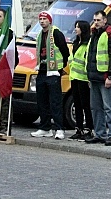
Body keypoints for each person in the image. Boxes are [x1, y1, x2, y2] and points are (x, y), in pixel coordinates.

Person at [30, 11, 70, 140]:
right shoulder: (40, 35)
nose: (42, 21)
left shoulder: (56, 33)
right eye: (40, 19)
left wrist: (61, 66)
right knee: (42, 101)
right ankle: (45, 127)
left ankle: (59, 128)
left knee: (55, 101)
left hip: (53, 71)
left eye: (44, 19)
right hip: (42, 70)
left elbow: (65, 50)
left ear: (50, 21)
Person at [85, 11, 111, 146]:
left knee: (109, 107)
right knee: (96, 107)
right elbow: (90, 56)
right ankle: (100, 134)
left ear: (105, 20)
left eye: (99, 20)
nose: (96, 22)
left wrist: (110, 76)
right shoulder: (94, 34)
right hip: (94, 76)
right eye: (94, 20)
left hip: (105, 76)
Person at [68, 20, 94, 141]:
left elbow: (87, 61)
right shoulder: (76, 42)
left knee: (86, 105)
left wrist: (89, 78)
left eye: (77, 27)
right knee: (77, 104)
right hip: (74, 77)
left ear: (83, 29)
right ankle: (79, 129)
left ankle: (89, 129)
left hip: (84, 78)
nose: (75, 29)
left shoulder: (87, 43)